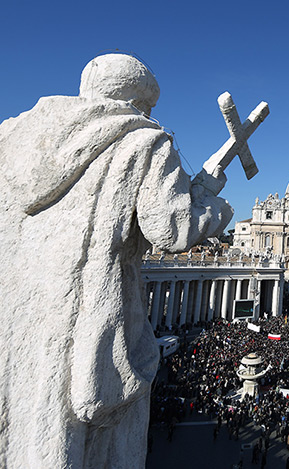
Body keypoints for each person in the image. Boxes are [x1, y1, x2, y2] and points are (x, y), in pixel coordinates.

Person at [0, 53, 235, 469]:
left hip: (18, 307)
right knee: (79, 436)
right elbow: (171, 229)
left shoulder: (12, 137)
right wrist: (216, 207)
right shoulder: (142, 139)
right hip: (84, 310)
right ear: (141, 101)